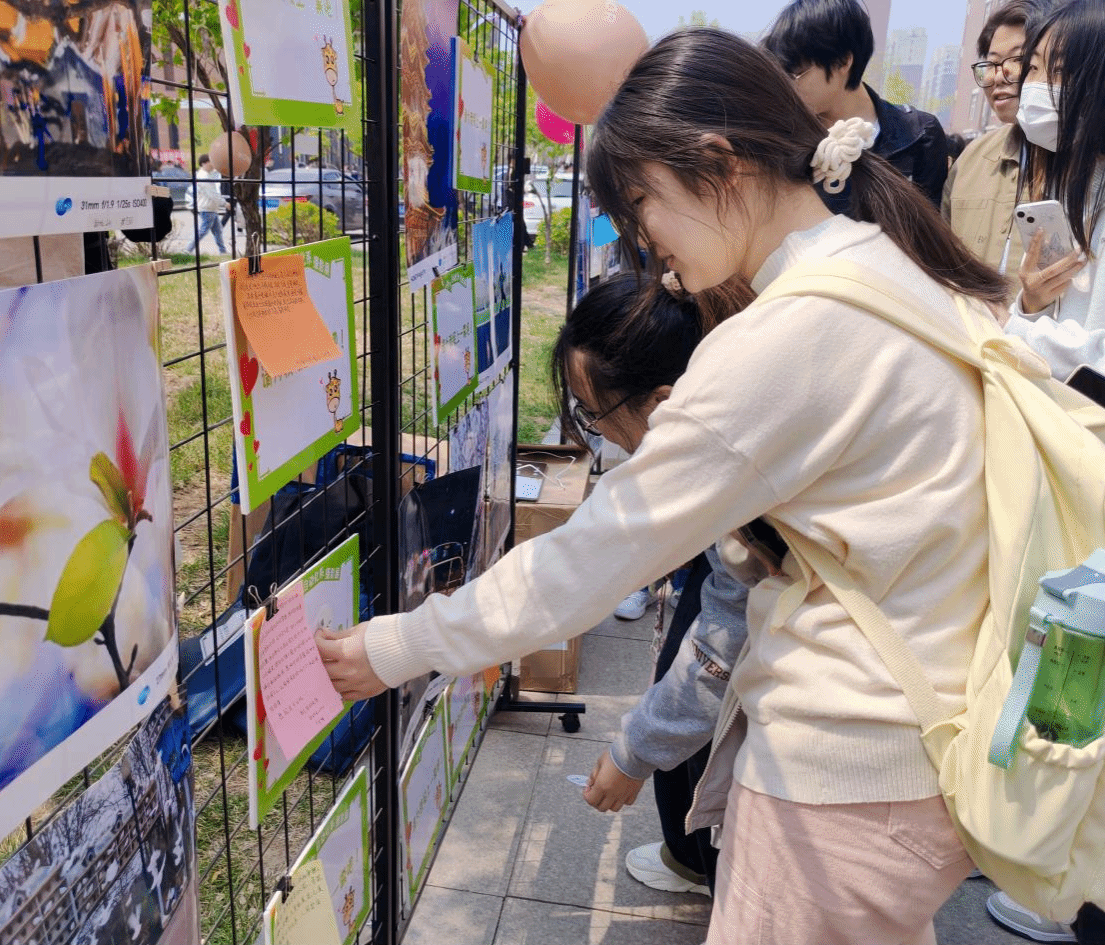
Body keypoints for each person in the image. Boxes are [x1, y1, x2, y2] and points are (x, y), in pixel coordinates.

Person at [319, 27, 1010, 944]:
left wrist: (397, 645)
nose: (642, 240)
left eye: (641, 203)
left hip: (846, 772)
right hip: (922, 748)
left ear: (718, 165)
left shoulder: (788, 337)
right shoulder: (887, 264)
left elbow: (587, 559)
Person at [547, 274, 752, 895]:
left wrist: (631, 754)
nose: (597, 429)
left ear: (662, 400)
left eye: (595, 411)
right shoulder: (725, 420)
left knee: (699, 694)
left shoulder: (744, 483)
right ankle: (692, 856)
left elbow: (721, 649)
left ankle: (713, 868)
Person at [1001, 0, 1103, 382]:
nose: (1035, 86)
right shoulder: (1069, 182)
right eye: (1033, 68)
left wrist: (1013, 327)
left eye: (1058, 71)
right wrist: (1033, 304)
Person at [762, 0, 950, 207]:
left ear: (843, 61)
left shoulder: (920, 135)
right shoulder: (785, 141)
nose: (789, 87)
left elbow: (928, 224)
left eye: (796, 74)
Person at [942, 0, 1051, 283]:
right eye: (990, 63)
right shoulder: (972, 159)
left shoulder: (1087, 166)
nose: (998, 76)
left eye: (1017, 59)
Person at [186, 153, 228, 255]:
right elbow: (212, 194)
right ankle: (188, 249)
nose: (213, 164)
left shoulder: (206, 174)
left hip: (210, 208)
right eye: (211, 162)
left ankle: (223, 251)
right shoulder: (203, 176)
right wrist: (224, 203)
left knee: (217, 231)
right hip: (207, 208)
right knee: (203, 231)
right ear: (204, 163)